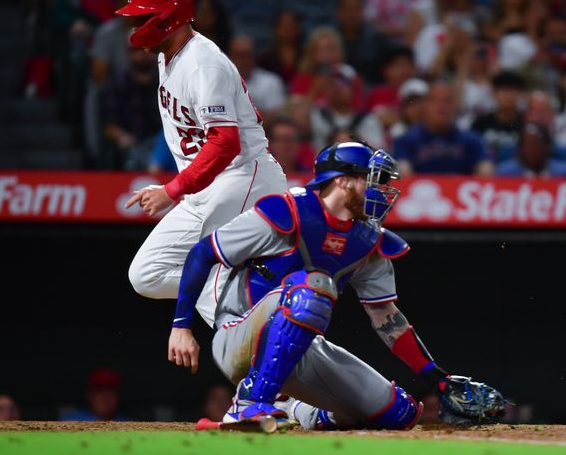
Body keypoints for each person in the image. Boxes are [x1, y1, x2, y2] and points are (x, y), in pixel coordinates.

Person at [169, 142, 506, 429]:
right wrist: (182, 326)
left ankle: (296, 409)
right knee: (313, 288)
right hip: (239, 335)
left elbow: (387, 319)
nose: (381, 191)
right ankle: (249, 401)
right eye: (373, 181)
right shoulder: (287, 210)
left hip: (302, 348)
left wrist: (437, 377)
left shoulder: (367, 241)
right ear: (344, 181)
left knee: (400, 413)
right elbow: (202, 254)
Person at [116, 0, 287, 334]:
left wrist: (172, 190)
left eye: (141, 16)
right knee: (145, 275)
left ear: (168, 17)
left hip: (243, 177)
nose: (134, 25)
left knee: (210, 275)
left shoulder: (201, 63)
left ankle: (269, 365)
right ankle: (246, 293)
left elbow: (226, 142)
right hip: (206, 185)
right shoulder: (169, 55)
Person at [393, 82, 493, 176]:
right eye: (435, 100)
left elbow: (485, 171)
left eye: (447, 100)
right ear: (424, 106)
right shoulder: (407, 140)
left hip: (461, 192)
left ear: (455, 106)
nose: (441, 106)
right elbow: (403, 175)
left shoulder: (471, 140)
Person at [101, 45, 161, 169]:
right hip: (131, 142)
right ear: (128, 53)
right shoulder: (118, 82)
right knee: (135, 156)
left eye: (144, 50)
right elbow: (109, 127)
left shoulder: (164, 78)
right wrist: (122, 136)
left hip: (162, 142)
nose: (141, 55)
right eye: (136, 51)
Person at [309, 64, 386, 151]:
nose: (337, 88)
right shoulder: (316, 116)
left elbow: (378, 153)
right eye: (331, 83)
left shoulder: (368, 120)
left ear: (353, 89)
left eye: (342, 83)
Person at [227, 35, 287, 120]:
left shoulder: (271, 81)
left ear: (254, 56)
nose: (244, 61)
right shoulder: (218, 82)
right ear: (229, 58)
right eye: (239, 55)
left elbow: (277, 117)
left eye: (248, 55)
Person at [471, 71, 526, 156]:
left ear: (520, 94)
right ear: (494, 94)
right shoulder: (480, 124)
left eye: (512, 90)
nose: (508, 95)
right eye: (504, 90)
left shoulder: (527, 125)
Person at [496, 124, 566, 177]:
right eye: (527, 145)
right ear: (519, 148)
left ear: (547, 147)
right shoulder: (505, 173)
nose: (531, 150)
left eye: (536, 144)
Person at [61, 368, 128, 421]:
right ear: (89, 395)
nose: (106, 396)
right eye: (100, 390)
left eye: (112, 390)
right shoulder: (70, 422)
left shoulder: (128, 425)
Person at [258, 10, 302, 84]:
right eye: (284, 26)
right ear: (276, 29)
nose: (287, 30)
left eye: (290, 25)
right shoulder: (265, 59)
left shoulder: (307, 57)